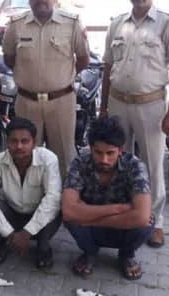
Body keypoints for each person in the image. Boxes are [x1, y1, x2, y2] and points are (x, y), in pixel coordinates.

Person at [99, 0, 169, 248]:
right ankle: (119, 213)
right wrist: (103, 108)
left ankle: (155, 222)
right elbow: (107, 67)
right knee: (115, 161)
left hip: (151, 107)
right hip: (118, 103)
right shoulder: (116, 24)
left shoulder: (167, 24)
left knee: (152, 165)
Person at [2, 0, 90, 180]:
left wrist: (60, 80)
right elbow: (9, 59)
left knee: (63, 158)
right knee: (25, 158)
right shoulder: (16, 25)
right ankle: (28, 199)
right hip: (27, 102)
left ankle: (64, 199)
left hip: (61, 102)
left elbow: (83, 59)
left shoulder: (71, 23)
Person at [62, 116, 154, 280]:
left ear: (121, 149)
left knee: (146, 223)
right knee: (71, 220)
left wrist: (88, 217)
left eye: (110, 153)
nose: (104, 160)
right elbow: (69, 211)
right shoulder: (80, 163)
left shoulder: (135, 166)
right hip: (104, 224)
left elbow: (141, 216)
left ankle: (126, 255)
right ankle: (89, 253)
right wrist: (119, 208)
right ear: (91, 148)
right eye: (98, 152)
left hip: (117, 225)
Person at [0, 117, 62, 269]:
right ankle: (0, 246)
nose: (19, 146)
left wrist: (27, 233)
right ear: (7, 142)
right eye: (13, 141)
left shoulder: (49, 159)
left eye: (25, 141)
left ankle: (43, 249)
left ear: (34, 143)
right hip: (12, 215)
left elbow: (53, 198)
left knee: (57, 203)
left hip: (38, 215)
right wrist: (9, 233)